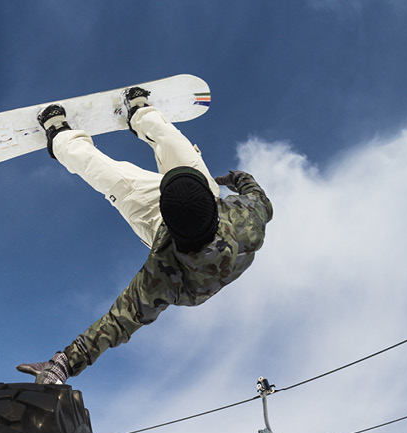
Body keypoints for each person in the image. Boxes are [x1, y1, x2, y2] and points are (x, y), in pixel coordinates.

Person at [16, 86, 274, 385]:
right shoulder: (247, 219)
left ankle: (59, 135)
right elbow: (259, 197)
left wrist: (63, 364)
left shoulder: (165, 275)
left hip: (154, 220)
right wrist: (237, 180)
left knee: (107, 174)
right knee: (175, 143)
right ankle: (141, 112)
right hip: (200, 200)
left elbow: (118, 321)